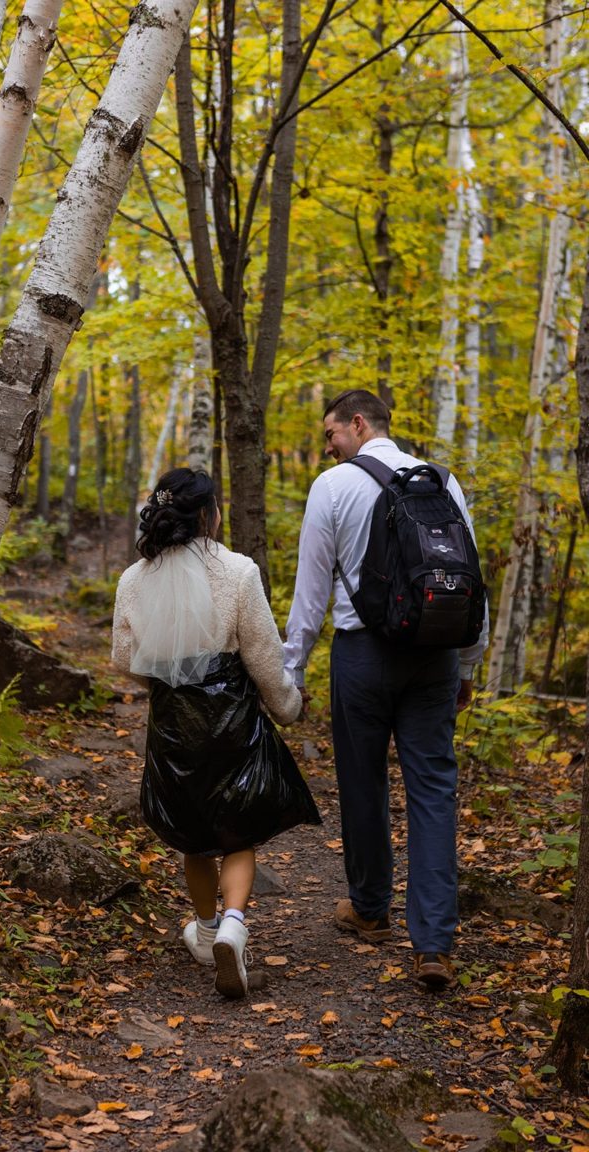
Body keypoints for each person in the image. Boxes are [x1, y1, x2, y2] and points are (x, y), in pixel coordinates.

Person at [283, 389, 487, 990]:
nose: (328, 446)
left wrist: (291, 673)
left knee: (362, 781)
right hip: (435, 655)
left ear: (358, 423)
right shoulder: (441, 482)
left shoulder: (333, 487)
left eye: (331, 434)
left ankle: (370, 910)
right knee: (433, 792)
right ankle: (434, 945)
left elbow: (311, 593)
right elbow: (469, 577)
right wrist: (469, 665)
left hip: (363, 655)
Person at [112, 467, 321, 1000]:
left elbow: (122, 658)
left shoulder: (133, 580)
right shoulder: (240, 571)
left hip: (174, 725)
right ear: (207, 514)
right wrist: (287, 707)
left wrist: (168, 681)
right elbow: (264, 658)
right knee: (237, 831)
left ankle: (205, 933)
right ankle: (233, 924)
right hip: (231, 720)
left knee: (192, 830)